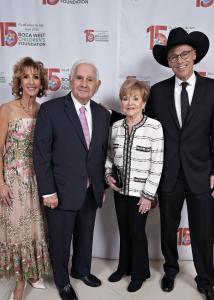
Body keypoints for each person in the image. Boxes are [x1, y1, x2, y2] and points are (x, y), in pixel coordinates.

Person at [33, 60, 110, 300]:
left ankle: (81, 270)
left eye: (89, 80)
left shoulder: (101, 113)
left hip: (90, 190)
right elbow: (41, 154)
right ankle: (62, 281)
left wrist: (101, 185)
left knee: (85, 235)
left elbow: (100, 152)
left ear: (96, 86)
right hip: (60, 190)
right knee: (60, 240)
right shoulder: (51, 110)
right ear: (70, 80)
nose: (84, 84)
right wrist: (47, 192)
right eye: (79, 78)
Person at [147, 27, 214, 300]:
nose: (180, 60)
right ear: (168, 62)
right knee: (167, 227)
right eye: (173, 57)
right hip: (169, 173)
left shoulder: (212, 89)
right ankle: (171, 269)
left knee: (203, 230)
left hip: (201, 172)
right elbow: (143, 123)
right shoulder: (158, 91)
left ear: (195, 55)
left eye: (184, 54)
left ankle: (206, 279)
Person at [105, 78, 164, 292]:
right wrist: (108, 175)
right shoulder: (116, 126)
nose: (129, 102)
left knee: (137, 232)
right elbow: (109, 156)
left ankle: (139, 273)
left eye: (135, 98)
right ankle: (124, 267)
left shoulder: (154, 127)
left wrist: (148, 195)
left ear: (144, 103)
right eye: (125, 98)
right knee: (124, 230)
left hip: (141, 193)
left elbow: (157, 164)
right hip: (120, 191)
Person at [0, 57, 51, 300]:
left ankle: (32, 272)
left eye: (36, 76)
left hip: (35, 179)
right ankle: (19, 285)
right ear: (19, 81)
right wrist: (0, 183)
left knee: (33, 229)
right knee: (18, 232)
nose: (31, 81)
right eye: (27, 76)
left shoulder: (43, 110)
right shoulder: (7, 109)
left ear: (41, 82)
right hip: (13, 180)